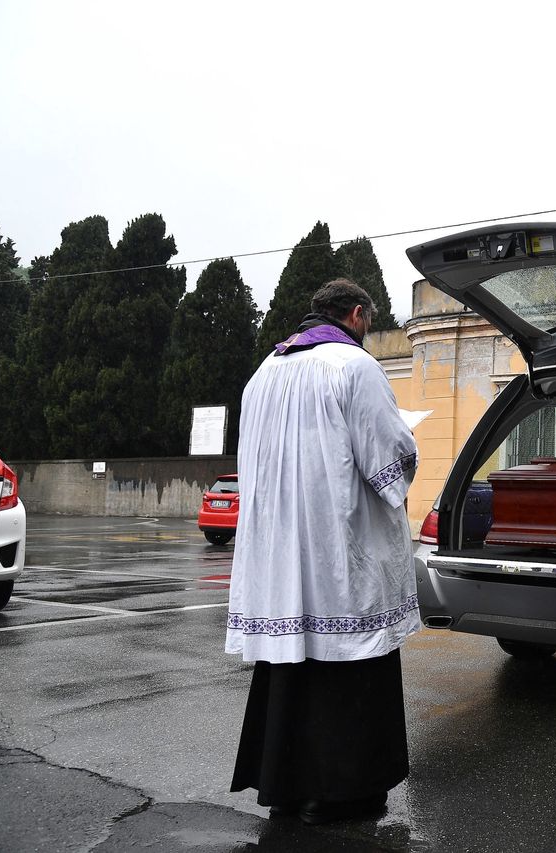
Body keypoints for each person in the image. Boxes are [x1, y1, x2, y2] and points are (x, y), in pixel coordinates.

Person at [225, 278, 419, 825]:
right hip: (337, 549)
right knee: (349, 657)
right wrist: (408, 459)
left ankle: (286, 784)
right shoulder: (355, 367)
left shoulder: (264, 371)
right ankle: (344, 792)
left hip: (279, 550)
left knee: (291, 665)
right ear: (358, 315)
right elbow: (389, 460)